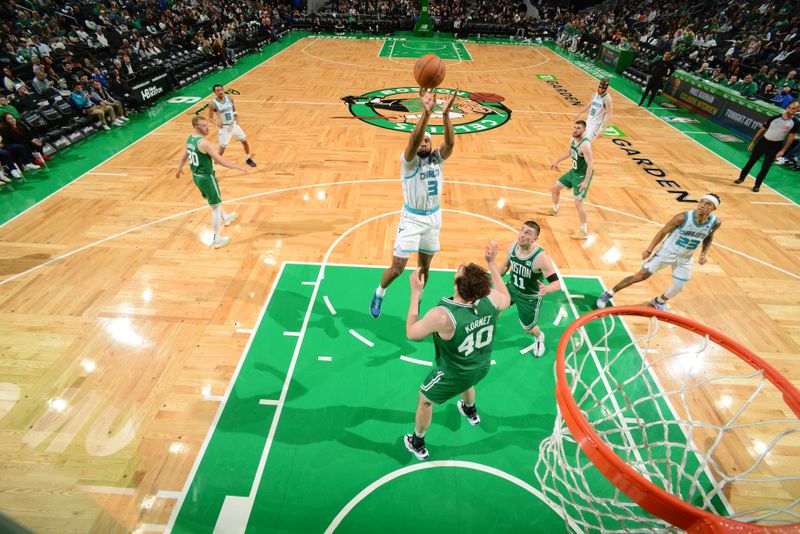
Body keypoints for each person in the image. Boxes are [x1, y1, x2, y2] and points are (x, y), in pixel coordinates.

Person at [403, 241, 511, 460]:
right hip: (481, 366)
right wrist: (491, 264)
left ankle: (417, 442)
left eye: (458, 272)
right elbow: (505, 296)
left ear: (457, 284)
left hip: (454, 373)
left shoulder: (443, 316)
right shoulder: (493, 301)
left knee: (424, 399)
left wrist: (415, 293)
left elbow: (412, 333)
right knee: (469, 381)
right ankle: (470, 410)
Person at [369, 89, 457, 318]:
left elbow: (450, 144)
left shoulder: (437, 157)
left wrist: (446, 115)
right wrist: (426, 114)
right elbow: (413, 141)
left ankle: (417, 299)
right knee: (398, 268)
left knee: (425, 267)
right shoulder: (408, 161)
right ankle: (379, 292)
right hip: (412, 218)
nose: (424, 144)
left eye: (428, 140)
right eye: (421, 141)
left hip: (434, 218)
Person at [596, 194, 721, 311]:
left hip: (686, 258)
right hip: (666, 253)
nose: (702, 205)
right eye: (701, 202)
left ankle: (659, 301)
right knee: (640, 276)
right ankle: (608, 293)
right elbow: (662, 232)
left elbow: (709, 236)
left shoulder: (715, 222)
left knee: (679, 287)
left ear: (714, 208)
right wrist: (649, 250)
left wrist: (704, 253)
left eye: (708, 204)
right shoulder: (682, 218)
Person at [175, 116, 247, 249]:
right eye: (203, 125)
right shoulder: (204, 143)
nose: (207, 128)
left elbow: (184, 156)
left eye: (206, 125)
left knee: (216, 200)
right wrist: (237, 166)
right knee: (216, 206)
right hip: (206, 177)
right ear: (197, 127)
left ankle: (225, 217)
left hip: (196, 176)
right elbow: (220, 161)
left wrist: (179, 169)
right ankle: (216, 239)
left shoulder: (190, 139)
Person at [500, 221, 561, 357]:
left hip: (529, 298)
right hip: (511, 288)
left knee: (528, 329)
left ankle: (539, 337)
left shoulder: (540, 258)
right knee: (494, 305)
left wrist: (547, 289)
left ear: (535, 238)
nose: (522, 235)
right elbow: (505, 266)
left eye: (527, 233)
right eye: (521, 230)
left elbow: (557, 284)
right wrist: (493, 278)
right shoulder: (513, 247)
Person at [734, 101, 799, 192]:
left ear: (797, 110)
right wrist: (753, 142)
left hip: (775, 146)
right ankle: (741, 178)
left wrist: (783, 150)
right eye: (789, 107)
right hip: (763, 142)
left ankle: (757, 185)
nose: (790, 109)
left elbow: (791, 137)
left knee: (765, 167)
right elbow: (762, 130)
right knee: (751, 161)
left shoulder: (795, 122)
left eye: (793, 108)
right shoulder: (774, 118)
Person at [549, 120, 595, 239]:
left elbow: (591, 165)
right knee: (555, 188)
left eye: (578, 128)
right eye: (574, 127)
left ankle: (584, 231)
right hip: (573, 172)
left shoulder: (585, 145)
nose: (575, 130)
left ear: (584, 130)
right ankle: (554, 210)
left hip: (582, 176)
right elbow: (569, 152)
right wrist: (557, 160)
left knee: (578, 203)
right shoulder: (573, 140)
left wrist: (585, 182)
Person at [208, 84, 256, 167]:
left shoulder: (229, 99)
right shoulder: (213, 104)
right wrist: (216, 123)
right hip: (224, 128)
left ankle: (248, 159)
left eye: (221, 90)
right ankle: (213, 167)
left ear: (223, 90)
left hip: (234, 125)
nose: (220, 92)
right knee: (221, 150)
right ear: (215, 92)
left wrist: (236, 115)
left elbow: (234, 110)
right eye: (217, 91)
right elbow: (210, 118)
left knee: (244, 141)